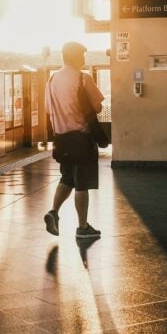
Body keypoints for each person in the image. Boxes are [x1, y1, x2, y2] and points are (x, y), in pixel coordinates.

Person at [43, 41, 105, 240]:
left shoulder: (52, 80)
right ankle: (83, 227)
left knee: (67, 178)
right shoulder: (83, 79)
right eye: (83, 55)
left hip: (62, 140)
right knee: (82, 184)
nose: (84, 59)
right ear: (77, 56)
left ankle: (53, 212)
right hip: (82, 139)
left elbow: (47, 110)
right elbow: (97, 107)